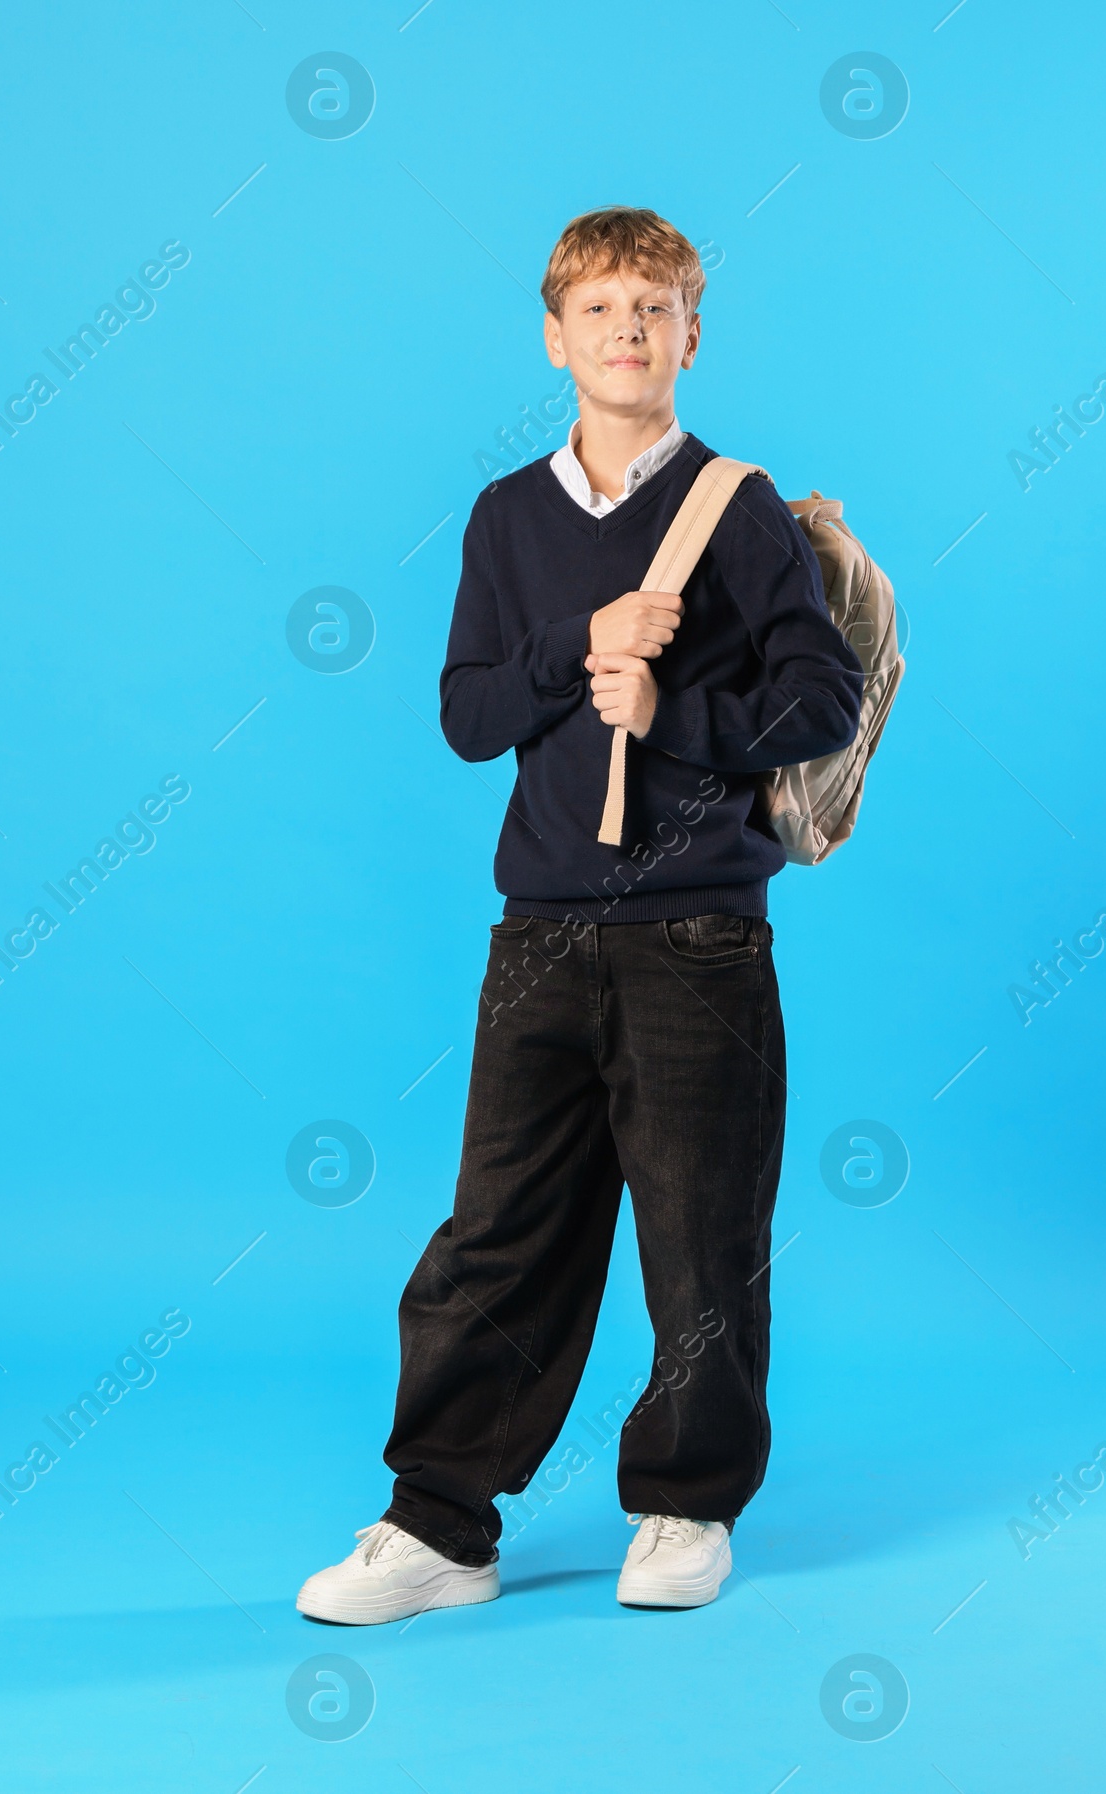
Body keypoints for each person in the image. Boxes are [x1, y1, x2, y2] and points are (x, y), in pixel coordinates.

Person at [297, 206, 864, 1624]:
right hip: (540, 930)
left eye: (655, 307)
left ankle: (685, 1503)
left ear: (689, 336)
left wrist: (676, 713)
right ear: (555, 338)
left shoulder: (736, 507)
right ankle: (442, 1523)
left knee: (700, 1231)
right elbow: (469, 713)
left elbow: (821, 696)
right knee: (499, 1229)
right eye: (601, 307)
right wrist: (585, 640)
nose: (627, 329)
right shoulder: (505, 516)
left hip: (698, 938)